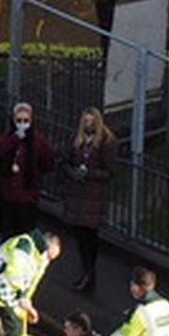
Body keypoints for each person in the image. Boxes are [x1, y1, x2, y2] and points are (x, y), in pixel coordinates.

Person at [0, 228, 62, 336]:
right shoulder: (25, 245)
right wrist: (23, 299)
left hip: (0, 297)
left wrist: (26, 307)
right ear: (45, 247)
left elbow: (28, 286)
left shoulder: (35, 255)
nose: (48, 261)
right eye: (49, 256)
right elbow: (15, 273)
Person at [63, 107, 117, 293]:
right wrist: (73, 172)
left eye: (91, 122)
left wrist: (90, 173)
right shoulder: (76, 139)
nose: (88, 125)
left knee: (90, 236)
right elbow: (67, 161)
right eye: (85, 122)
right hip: (78, 195)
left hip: (93, 196)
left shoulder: (106, 141)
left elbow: (110, 171)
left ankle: (89, 273)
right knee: (80, 236)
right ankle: (86, 272)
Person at [0, 102, 53, 237]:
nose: (22, 124)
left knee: (25, 232)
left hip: (28, 194)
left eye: (26, 120)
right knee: (8, 232)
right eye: (19, 120)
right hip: (9, 193)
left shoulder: (38, 140)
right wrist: (15, 139)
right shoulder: (8, 137)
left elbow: (47, 161)